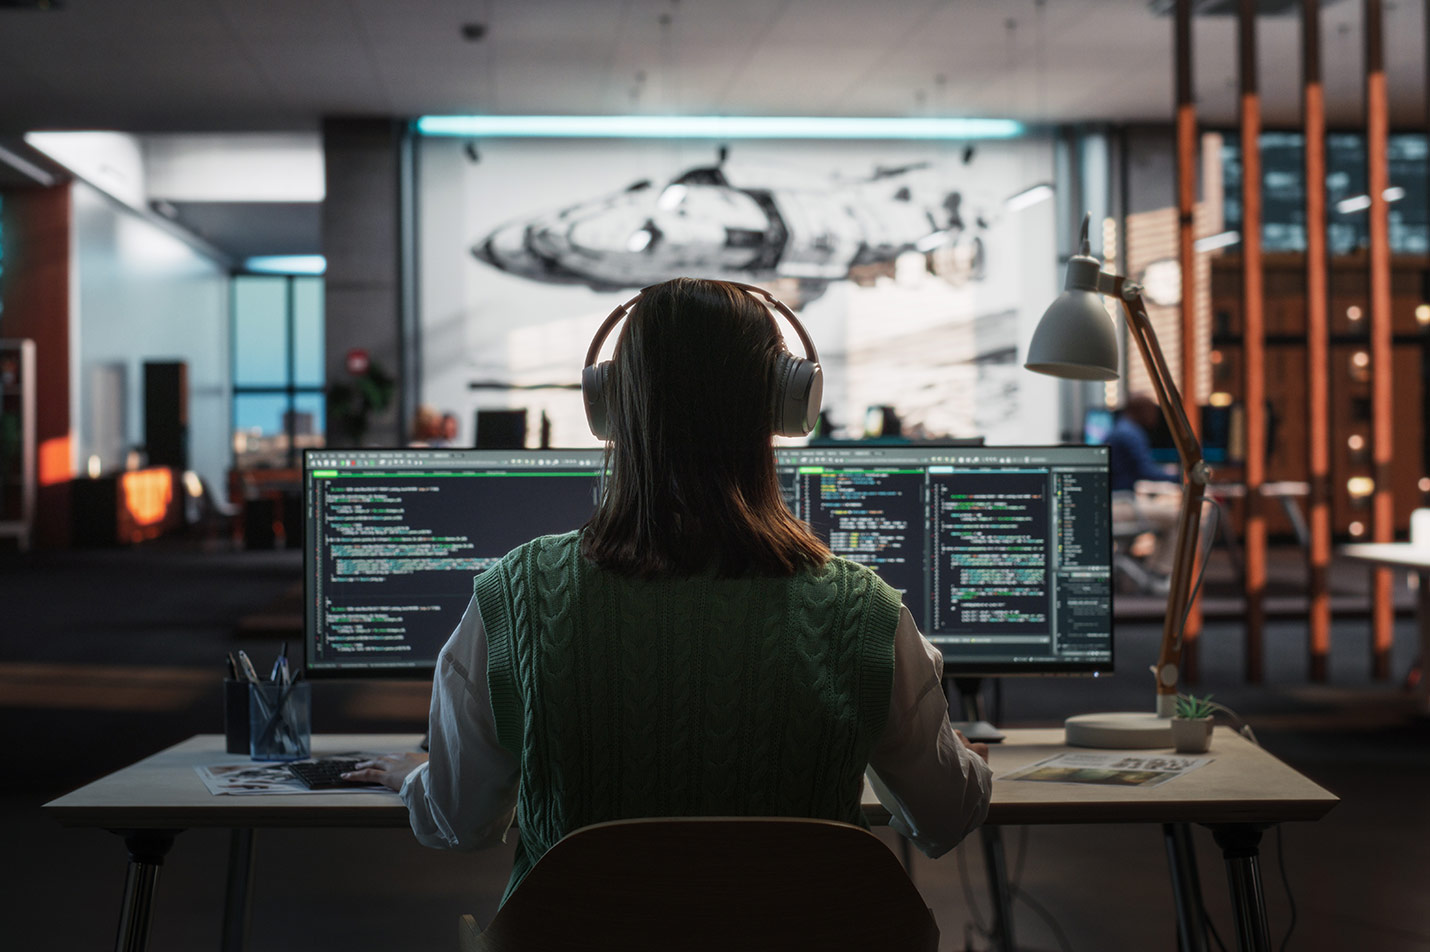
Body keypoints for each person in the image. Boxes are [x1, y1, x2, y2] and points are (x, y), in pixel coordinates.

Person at [343, 277, 993, 903]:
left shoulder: (515, 594)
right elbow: (945, 818)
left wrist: (414, 779)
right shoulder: (863, 611)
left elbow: (461, 823)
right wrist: (953, 754)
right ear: (787, 403)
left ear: (606, 404)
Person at [1108, 393, 1182, 582]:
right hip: (1119, 505)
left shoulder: (1120, 430)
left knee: (1166, 512)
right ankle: (1160, 573)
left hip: (1115, 501)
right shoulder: (1130, 434)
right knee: (1180, 517)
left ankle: (1154, 570)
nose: (1155, 417)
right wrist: (1181, 477)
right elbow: (1146, 471)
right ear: (1141, 411)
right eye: (1152, 411)